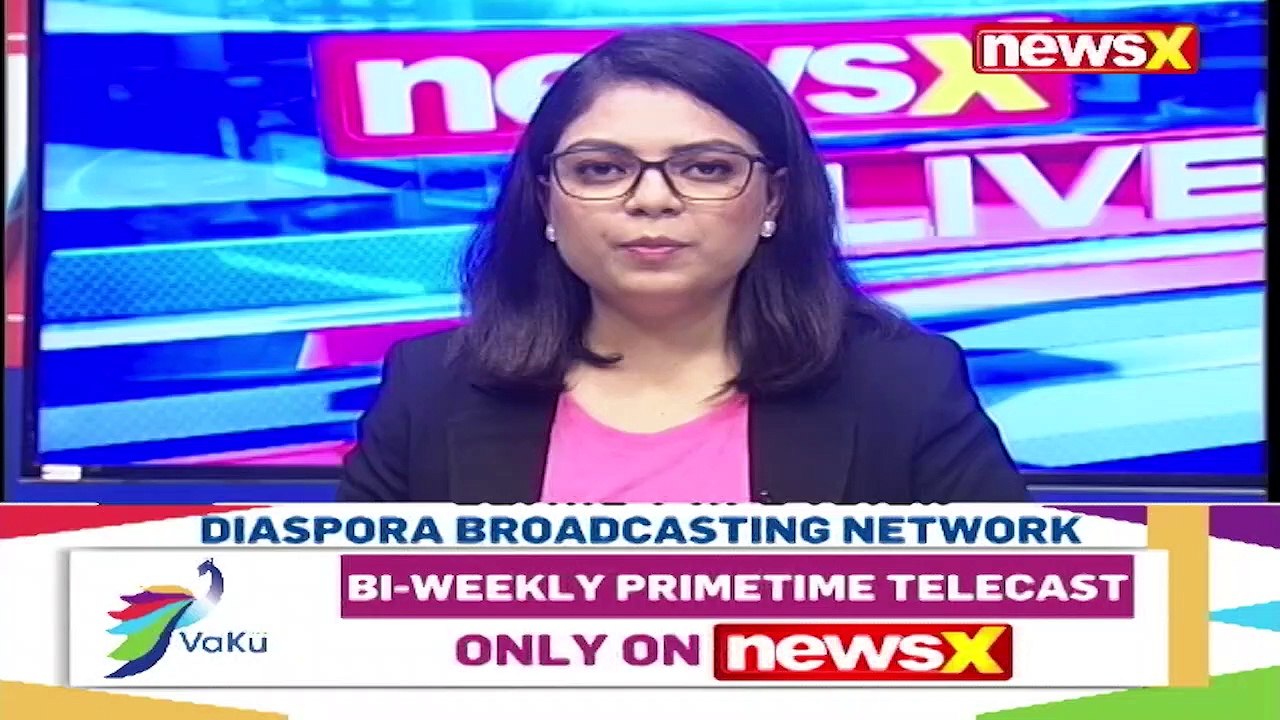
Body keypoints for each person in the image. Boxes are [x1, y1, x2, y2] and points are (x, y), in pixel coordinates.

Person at [337, 28, 1029, 504]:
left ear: (774, 199)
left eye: (705, 168)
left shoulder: (904, 387)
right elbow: (343, 627)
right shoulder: (431, 387)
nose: (652, 200)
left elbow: (1016, 626)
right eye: (601, 168)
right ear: (546, 199)